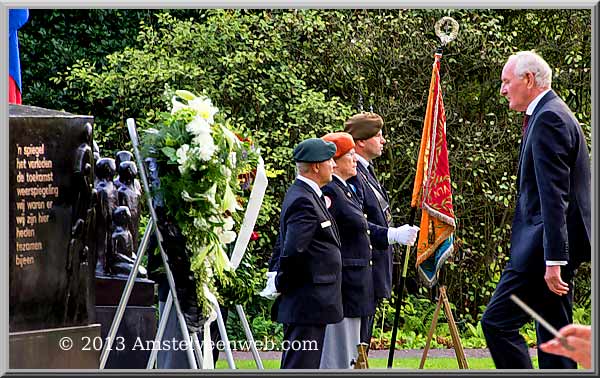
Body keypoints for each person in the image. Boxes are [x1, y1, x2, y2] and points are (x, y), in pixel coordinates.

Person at [480, 50, 591, 369]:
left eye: (506, 81)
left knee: (497, 323)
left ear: (528, 79)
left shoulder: (549, 118)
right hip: (550, 248)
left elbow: (553, 197)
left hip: (542, 251)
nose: (502, 89)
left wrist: (554, 260)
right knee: (556, 338)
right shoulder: (551, 112)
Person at [344, 112, 420, 348]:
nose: (383, 140)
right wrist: (392, 235)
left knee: (364, 342)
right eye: (377, 135)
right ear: (361, 142)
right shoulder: (354, 174)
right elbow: (357, 220)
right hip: (364, 269)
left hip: (374, 268)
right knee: (358, 345)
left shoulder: (365, 171)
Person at [268, 137, 343, 369]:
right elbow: (293, 251)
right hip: (306, 300)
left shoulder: (309, 195)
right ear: (316, 166)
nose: (334, 164)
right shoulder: (303, 200)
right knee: (300, 366)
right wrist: (279, 281)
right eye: (329, 160)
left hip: (312, 301)